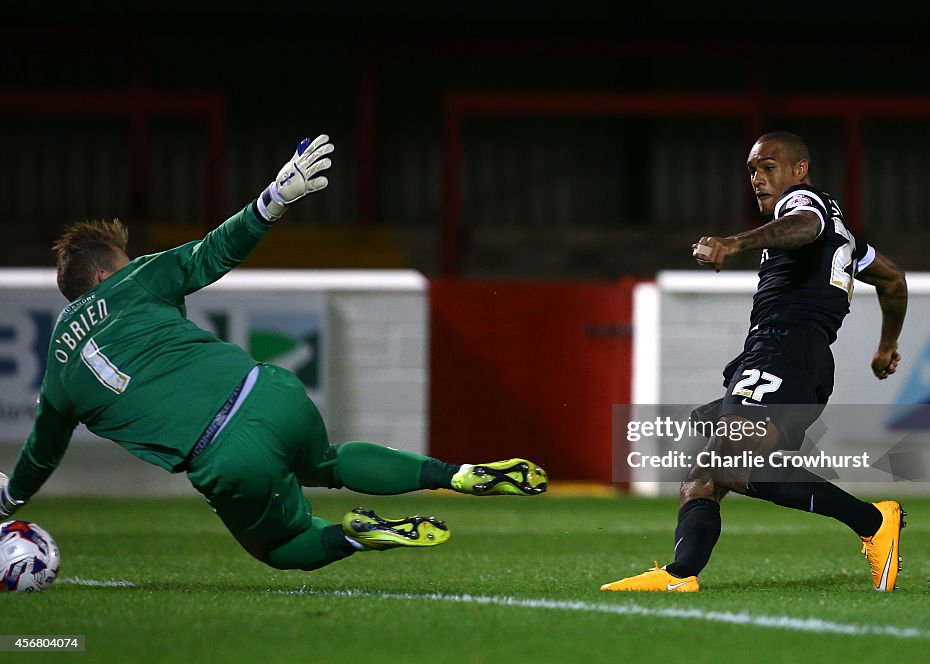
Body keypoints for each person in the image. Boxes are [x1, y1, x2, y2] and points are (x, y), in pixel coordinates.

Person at [0, 134, 548, 571]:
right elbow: (212, 252)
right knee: (325, 462)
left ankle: (357, 538)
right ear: (103, 273)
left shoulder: (58, 371)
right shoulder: (136, 279)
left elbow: (42, 455)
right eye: (124, 257)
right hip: (270, 390)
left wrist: (9, 500)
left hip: (224, 454)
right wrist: (273, 200)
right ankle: (454, 475)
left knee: (282, 549)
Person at [602, 131, 908, 592]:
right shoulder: (844, 239)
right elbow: (893, 279)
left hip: (785, 351)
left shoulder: (804, 205)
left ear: (798, 170)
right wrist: (887, 344)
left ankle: (870, 520)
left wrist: (734, 242)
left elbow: (804, 224)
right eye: (752, 170)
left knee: (726, 462)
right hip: (779, 354)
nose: (758, 178)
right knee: (704, 474)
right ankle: (679, 575)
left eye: (769, 167)